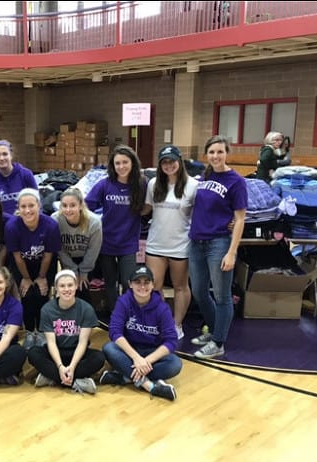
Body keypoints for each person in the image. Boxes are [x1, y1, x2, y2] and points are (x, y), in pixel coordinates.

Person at [189, 135, 247, 359]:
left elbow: (240, 219)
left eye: (220, 152)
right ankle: (214, 330)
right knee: (199, 292)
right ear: (206, 154)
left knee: (222, 295)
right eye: (211, 152)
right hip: (196, 242)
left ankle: (219, 342)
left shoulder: (236, 181)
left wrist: (232, 252)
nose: (215, 156)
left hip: (219, 243)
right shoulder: (205, 176)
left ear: (227, 153)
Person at [100, 266, 181, 401]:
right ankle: (149, 385)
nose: (142, 286)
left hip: (152, 353)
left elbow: (171, 341)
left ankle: (125, 377)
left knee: (175, 364)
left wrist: (146, 361)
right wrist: (136, 358)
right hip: (130, 351)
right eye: (138, 282)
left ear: (153, 284)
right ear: (130, 284)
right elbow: (114, 332)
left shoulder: (162, 308)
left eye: (146, 282)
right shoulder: (123, 302)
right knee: (109, 348)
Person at [142, 146, 198, 340]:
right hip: (156, 244)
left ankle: (177, 324)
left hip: (181, 244)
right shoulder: (153, 184)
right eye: (164, 162)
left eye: (172, 161)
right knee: (154, 287)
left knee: (180, 286)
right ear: (160, 165)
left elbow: (203, 213)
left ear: (180, 161)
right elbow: (145, 209)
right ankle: (162, 320)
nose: (169, 165)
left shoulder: (192, 185)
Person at [85, 145, 146, 316]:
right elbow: (87, 205)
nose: (121, 166)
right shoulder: (105, 184)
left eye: (125, 162)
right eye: (117, 163)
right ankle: (115, 314)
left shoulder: (141, 184)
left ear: (132, 163)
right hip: (107, 242)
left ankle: (129, 313)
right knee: (110, 282)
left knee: (129, 282)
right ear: (112, 165)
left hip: (129, 243)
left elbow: (151, 204)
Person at [27, 270, 105, 394]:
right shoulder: (47, 309)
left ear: (75, 286)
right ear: (56, 288)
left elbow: (82, 342)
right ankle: (76, 381)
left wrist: (72, 367)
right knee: (33, 353)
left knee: (99, 358)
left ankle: (52, 378)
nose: (66, 289)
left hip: (77, 352)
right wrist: (60, 366)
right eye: (62, 286)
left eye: (70, 285)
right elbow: (51, 343)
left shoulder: (86, 308)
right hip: (56, 352)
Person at [5, 187, 61, 349]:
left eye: (31, 205)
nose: (27, 210)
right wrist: (27, 278)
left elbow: (48, 255)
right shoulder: (12, 226)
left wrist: (42, 277)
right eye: (23, 207)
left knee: (42, 295)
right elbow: (16, 256)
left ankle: (43, 331)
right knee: (27, 296)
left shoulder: (50, 225)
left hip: (44, 264)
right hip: (23, 265)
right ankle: (30, 332)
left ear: (39, 205)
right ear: (18, 208)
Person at [51, 186, 102, 303]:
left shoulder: (94, 222)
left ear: (80, 205)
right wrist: (73, 270)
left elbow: (93, 249)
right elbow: (60, 249)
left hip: (88, 258)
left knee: (83, 288)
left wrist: (84, 272)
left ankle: (88, 318)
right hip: (67, 259)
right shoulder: (55, 220)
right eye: (64, 205)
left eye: (72, 205)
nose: (68, 209)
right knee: (69, 288)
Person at [0, 140, 38, 215]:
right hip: (2, 224)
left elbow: (37, 202)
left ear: (11, 155)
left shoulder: (26, 175)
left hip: (25, 222)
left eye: (5, 154)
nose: (1, 158)